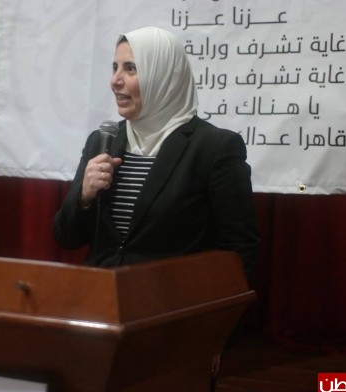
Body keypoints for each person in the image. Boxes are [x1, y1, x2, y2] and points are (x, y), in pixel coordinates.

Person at [53, 26, 259, 278]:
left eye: (131, 68)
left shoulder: (213, 148)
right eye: (115, 67)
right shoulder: (102, 141)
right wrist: (84, 196)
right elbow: (66, 237)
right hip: (101, 295)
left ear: (164, 76)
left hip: (172, 298)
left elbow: (239, 251)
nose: (115, 81)